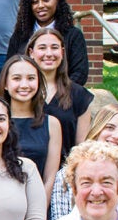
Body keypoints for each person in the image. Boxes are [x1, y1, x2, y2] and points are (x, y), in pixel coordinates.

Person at [0, 55, 61, 198]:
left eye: (31, 78)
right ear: (5, 84)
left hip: (38, 204)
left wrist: (38, 212)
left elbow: (50, 177)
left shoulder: (52, 124)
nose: (24, 85)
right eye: (17, 78)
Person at [25, 28, 93, 161]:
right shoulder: (20, 92)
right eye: (42, 48)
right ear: (31, 52)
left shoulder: (80, 95)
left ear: (62, 52)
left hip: (65, 172)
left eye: (54, 47)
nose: (49, 53)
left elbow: (82, 148)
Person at [6, 0, 89, 86]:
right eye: (34, 2)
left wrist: (56, 94)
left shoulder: (73, 35)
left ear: (57, 0)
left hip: (63, 97)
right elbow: (10, 70)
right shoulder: (20, 36)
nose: (40, 6)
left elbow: (80, 73)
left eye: (46, 0)